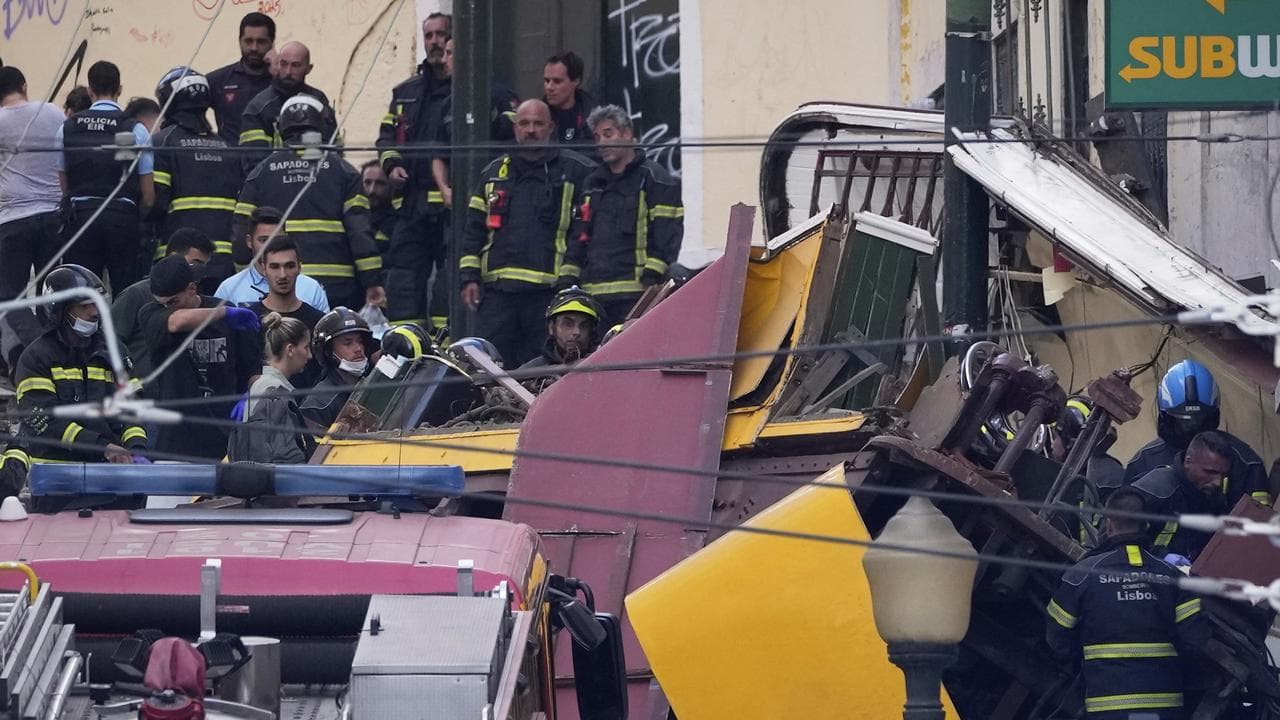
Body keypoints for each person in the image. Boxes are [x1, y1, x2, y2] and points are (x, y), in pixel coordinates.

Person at [1045, 488, 1208, 719]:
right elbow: (1195, 641)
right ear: (1146, 525)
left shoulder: (1082, 574)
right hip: (1164, 704)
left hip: (1108, 704)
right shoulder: (1174, 577)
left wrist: (1082, 660)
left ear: (1109, 524)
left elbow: (1057, 638)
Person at [460, 99, 595, 366]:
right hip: (497, 294)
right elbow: (473, 229)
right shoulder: (493, 173)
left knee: (540, 368)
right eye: (524, 123)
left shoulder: (577, 170)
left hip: (547, 292)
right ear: (515, 128)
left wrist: (570, 276)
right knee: (488, 367)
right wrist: (468, 277)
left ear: (551, 127)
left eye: (538, 123)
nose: (530, 130)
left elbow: (585, 229)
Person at [235, 96, 384, 311]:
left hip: (280, 282)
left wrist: (247, 276)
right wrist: (372, 281)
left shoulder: (260, 173)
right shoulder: (345, 172)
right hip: (337, 283)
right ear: (321, 126)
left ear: (281, 128)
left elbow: (242, 231)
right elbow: (359, 231)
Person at [14, 264, 148, 463]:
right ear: (61, 310)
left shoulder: (115, 352)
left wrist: (136, 447)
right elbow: (45, 420)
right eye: (84, 306)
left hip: (110, 472)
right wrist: (102, 446)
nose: (94, 312)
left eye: (96, 304)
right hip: (59, 477)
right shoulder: (37, 358)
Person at [561, 105, 682, 325]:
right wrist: (569, 275)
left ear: (627, 133)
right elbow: (579, 233)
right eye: (597, 137)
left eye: (608, 134)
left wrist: (653, 274)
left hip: (635, 294)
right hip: (593, 295)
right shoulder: (592, 183)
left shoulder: (654, 177)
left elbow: (667, 231)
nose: (602, 143)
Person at [377, 12, 453, 328]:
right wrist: (392, 165)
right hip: (412, 204)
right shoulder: (405, 93)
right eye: (429, 36)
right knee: (405, 280)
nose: (434, 42)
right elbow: (385, 137)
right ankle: (407, 346)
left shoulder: (473, 91)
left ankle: (447, 345)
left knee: (450, 282)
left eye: (440, 35)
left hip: (453, 207)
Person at [144, 254, 261, 460]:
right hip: (176, 442)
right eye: (162, 303)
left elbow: (251, 369)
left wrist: (251, 395)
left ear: (191, 288)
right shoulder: (151, 314)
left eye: (173, 301)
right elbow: (176, 322)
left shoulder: (223, 314)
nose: (167, 307)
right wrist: (225, 312)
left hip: (224, 437)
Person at [56, 60, 155, 292]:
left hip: (80, 220)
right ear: (120, 89)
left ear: (90, 91)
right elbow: (148, 195)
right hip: (122, 218)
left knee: (82, 293)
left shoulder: (67, 127)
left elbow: (64, 185)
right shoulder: (133, 129)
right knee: (125, 291)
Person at [1124, 359, 1270, 507]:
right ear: (1165, 417)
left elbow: (1259, 519)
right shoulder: (1143, 462)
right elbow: (1121, 521)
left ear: (1213, 415)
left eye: (1200, 421)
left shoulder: (1246, 464)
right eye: (1183, 422)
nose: (1192, 429)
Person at [0, 66, 67, 379]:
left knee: (8, 295)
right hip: (53, 216)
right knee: (50, 292)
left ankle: (36, 348)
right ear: (24, 85)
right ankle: (57, 355)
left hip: (12, 219)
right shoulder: (53, 113)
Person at [149, 67, 239, 287]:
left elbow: (155, 203)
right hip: (222, 260)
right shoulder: (227, 147)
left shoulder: (162, 142)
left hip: (177, 262)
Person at [111, 228, 214, 379]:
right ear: (173, 257)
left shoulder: (195, 298)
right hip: (141, 392)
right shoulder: (137, 294)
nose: (199, 272)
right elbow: (110, 341)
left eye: (203, 266)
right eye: (195, 264)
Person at [1130, 430, 1235, 561]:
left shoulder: (1213, 496)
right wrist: (1161, 557)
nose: (1217, 482)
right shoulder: (1154, 492)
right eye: (1210, 472)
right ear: (1188, 461)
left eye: (1223, 475)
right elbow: (1119, 542)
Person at [227, 312, 316, 463]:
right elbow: (280, 454)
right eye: (306, 347)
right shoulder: (274, 390)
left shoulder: (262, 384)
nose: (310, 355)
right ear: (290, 350)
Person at [238, 40, 337, 175]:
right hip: (277, 184)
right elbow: (254, 164)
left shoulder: (318, 101)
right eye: (283, 64)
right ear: (278, 63)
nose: (288, 71)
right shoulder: (259, 107)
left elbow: (334, 148)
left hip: (318, 180)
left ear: (309, 68)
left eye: (295, 65)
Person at [216, 205, 330, 311]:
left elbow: (324, 331)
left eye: (277, 239)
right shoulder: (229, 290)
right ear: (249, 241)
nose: (271, 245)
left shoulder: (311, 289)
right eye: (264, 240)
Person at [246, 236, 325, 388]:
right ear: (263, 268)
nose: (282, 275)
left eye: (289, 266)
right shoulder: (249, 320)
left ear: (299, 267)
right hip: (262, 408)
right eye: (274, 266)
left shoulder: (318, 321)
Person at [300, 307, 377, 431]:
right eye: (348, 343)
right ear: (328, 352)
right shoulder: (319, 404)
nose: (358, 349)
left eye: (360, 341)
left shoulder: (375, 387)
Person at [207, 12, 276, 146]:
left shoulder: (282, 81)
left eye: (261, 42)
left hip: (271, 163)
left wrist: (278, 73)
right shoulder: (219, 80)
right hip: (229, 163)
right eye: (248, 41)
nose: (254, 48)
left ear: (272, 43)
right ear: (239, 41)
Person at [520, 286, 604, 370]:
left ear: (592, 331)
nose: (577, 332)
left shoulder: (605, 367)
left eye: (584, 326)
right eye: (568, 324)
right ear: (551, 327)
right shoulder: (529, 372)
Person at [543, 51, 597, 148]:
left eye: (557, 81)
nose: (549, 87)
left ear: (576, 81)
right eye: (547, 81)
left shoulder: (594, 116)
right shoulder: (537, 117)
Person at [361, 159, 398, 262]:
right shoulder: (351, 217)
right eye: (367, 182)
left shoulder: (399, 222)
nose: (372, 190)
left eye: (380, 183)